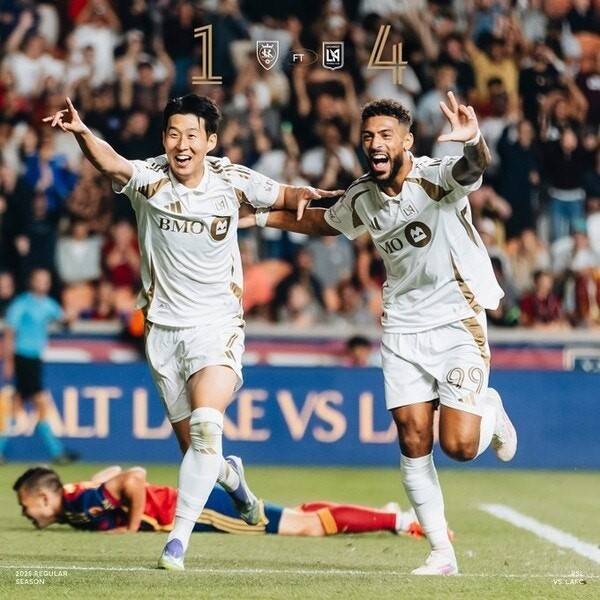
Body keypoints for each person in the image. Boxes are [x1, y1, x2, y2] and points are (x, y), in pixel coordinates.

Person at [42, 93, 340, 571]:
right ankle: (234, 481)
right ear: (164, 138)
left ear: (210, 141)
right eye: (173, 134)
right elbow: (111, 162)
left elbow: (287, 197)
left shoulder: (232, 179)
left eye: (192, 135)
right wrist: (81, 132)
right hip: (163, 330)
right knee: (198, 451)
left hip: (217, 325)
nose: (182, 145)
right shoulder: (150, 178)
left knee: (205, 426)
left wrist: (313, 196)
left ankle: (176, 543)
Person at [242, 94, 517, 576]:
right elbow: (326, 221)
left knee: (458, 446)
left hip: (456, 319)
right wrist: (259, 215)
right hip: (403, 326)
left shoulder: (435, 178)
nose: (375, 143)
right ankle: (441, 553)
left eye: (386, 135)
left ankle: (489, 412)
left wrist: (473, 139)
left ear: (407, 141)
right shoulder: (363, 195)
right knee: (412, 438)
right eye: (368, 136)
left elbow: (473, 168)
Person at [14, 465, 432, 540]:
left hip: (197, 511)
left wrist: (131, 525)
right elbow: (117, 471)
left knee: (304, 526)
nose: (24, 513)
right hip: (190, 507)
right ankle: (385, 515)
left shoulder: (79, 503)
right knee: (296, 515)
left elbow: (133, 478)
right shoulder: (72, 502)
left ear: (45, 497)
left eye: (26, 505)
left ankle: (400, 521)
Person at [0, 268, 77, 465]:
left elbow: (63, 320)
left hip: (35, 359)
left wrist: (71, 313)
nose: (44, 283)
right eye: (40, 280)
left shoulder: (48, 304)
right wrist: (8, 361)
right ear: (31, 282)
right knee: (40, 401)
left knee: (17, 404)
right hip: (23, 357)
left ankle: (3, 449)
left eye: (46, 280)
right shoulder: (22, 303)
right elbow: (9, 332)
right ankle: (57, 451)